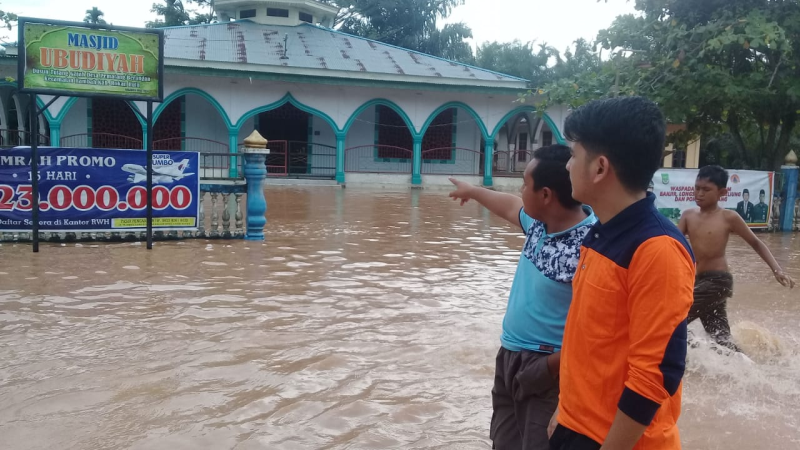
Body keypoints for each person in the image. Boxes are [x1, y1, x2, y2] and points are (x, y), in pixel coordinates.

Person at [548, 97, 695, 450]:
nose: (567, 166)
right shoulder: (600, 233)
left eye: (573, 155)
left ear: (599, 168)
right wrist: (564, 410)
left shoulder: (657, 249)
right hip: (576, 425)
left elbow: (656, 374)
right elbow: (592, 342)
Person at [449, 145, 595, 450]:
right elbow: (508, 205)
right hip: (511, 355)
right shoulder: (539, 225)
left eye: (525, 184)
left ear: (545, 195)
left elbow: (602, 329)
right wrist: (474, 191)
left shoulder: (593, 245)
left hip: (551, 365)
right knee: (504, 442)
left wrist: (549, 368)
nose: (520, 190)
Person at [678, 165, 794, 352]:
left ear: (722, 193)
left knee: (673, 318)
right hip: (697, 281)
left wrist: (777, 270)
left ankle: (690, 350)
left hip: (718, 282)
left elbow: (756, 243)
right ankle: (749, 368)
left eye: (706, 190)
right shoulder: (688, 216)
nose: (699, 193)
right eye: (697, 188)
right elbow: (672, 245)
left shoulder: (728, 217)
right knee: (721, 340)